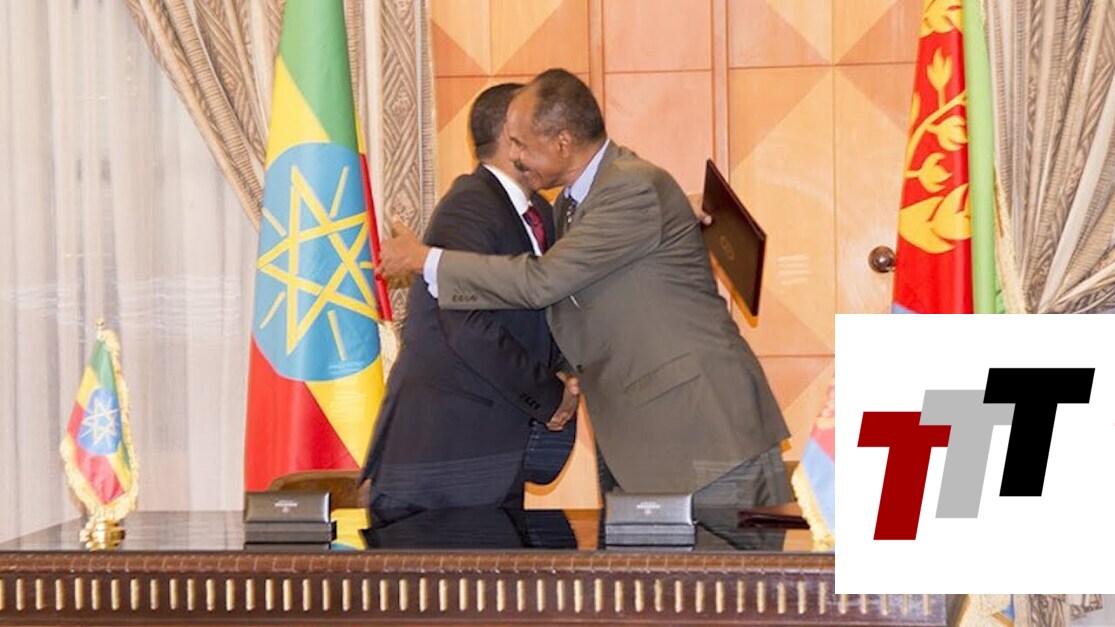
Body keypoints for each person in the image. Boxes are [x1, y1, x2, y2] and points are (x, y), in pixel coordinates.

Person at [379, 69, 792, 509]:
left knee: (740, 556)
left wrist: (428, 259)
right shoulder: (572, 207)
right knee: (656, 558)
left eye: (521, 144)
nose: (514, 157)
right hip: (642, 443)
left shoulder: (630, 187)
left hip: (701, 432)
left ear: (562, 142)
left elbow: (541, 281)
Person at [361, 83, 579, 523]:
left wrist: (568, 375)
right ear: (513, 137)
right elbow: (469, 325)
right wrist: (550, 394)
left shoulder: (540, 214)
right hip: (441, 462)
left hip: (488, 459)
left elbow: (547, 305)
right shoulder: (470, 206)